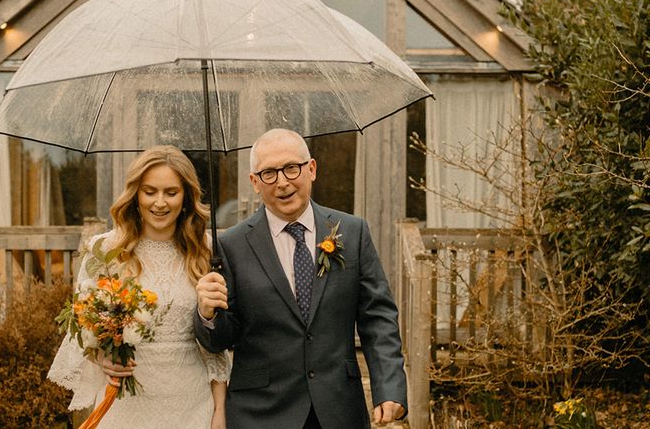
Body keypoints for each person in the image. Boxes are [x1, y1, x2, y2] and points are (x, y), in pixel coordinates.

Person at [195, 128, 407, 428]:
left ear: (312, 169)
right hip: (261, 414)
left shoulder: (353, 231)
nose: (282, 182)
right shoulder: (231, 245)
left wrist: (389, 388)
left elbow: (378, 317)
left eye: (291, 168)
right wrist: (207, 314)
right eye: (269, 173)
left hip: (338, 408)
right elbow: (221, 340)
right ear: (255, 182)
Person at [49, 146, 230, 429]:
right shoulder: (105, 250)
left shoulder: (206, 250)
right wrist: (101, 357)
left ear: (185, 197)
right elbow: (84, 330)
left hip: (192, 404)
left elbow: (217, 343)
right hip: (126, 406)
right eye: (150, 191)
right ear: (135, 195)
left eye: (171, 192)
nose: (160, 202)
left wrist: (220, 409)